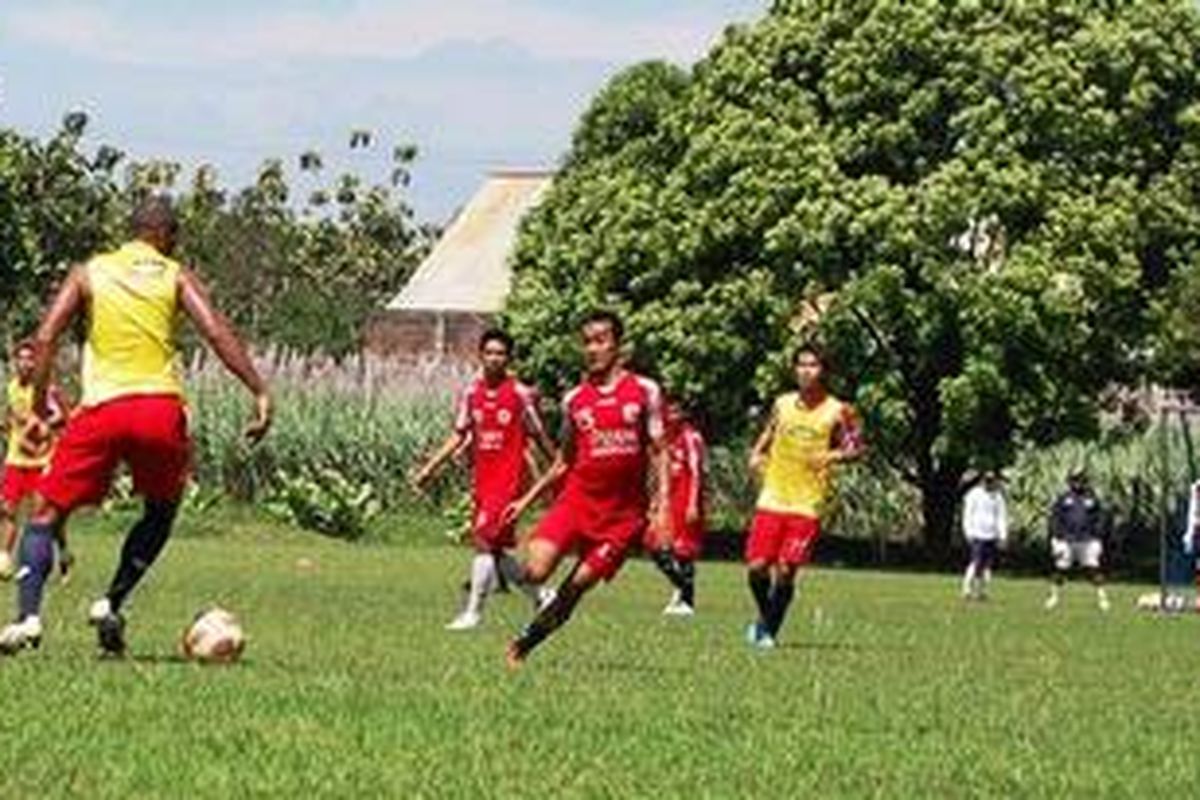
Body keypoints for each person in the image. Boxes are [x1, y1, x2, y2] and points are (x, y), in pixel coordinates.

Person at [0, 196, 271, 656]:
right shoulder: (174, 275)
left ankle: (27, 619)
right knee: (162, 510)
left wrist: (42, 401)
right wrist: (258, 389)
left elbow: (46, 336)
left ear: (132, 231)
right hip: (158, 409)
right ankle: (110, 601)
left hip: (103, 408)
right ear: (165, 235)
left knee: (45, 514)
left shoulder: (89, 272)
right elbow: (216, 331)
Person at [501, 311, 669, 667]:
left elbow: (659, 451)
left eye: (601, 340)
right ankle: (522, 582)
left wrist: (663, 507)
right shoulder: (574, 400)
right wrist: (525, 500)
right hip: (575, 504)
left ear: (618, 346)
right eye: (587, 341)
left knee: (575, 588)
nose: (593, 348)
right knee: (534, 571)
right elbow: (563, 461)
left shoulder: (645, 391)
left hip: (623, 517)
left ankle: (524, 644)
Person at [411, 328, 557, 630]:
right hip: (483, 482)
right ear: (480, 356)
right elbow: (459, 434)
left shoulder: (519, 394)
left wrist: (557, 470)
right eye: (489, 353)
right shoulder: (471, 393)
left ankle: (472, 613)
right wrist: (429, 469)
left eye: (500, 354)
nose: (494, 358)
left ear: (508, 358)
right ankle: (542, 595)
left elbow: (539, 434)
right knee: (496, 551)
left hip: (509, 483)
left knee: (482, 543)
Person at [744, 344, 863, 649]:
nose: (806, 371)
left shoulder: (839, 410)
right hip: (773, 493)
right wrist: (757, 453)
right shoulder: (782, 403)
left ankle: (768, 632)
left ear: (824, 371)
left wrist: (830, 456)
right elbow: (770, 431)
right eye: (801, 365)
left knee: (785, 569)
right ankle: (765, 617)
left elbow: (857, 449)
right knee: (757, 566)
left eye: (813, 365)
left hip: (807, 500)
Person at [2, 340, 69, 577]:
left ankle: (63, 553)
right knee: (7, 508)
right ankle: (5, 559)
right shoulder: (11, 388)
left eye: (30, 359)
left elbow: (63, 417)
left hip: (42, 460)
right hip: (15, 458)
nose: (25, 364)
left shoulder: (46, 390)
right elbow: (11, 417)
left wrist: (41, 425)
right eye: (21, 359)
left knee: (42, 517)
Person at [646, 399, 705, 617]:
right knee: (652, 544)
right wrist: (655, 500)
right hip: (668, 502)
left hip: (686, 500)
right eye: (667, 410)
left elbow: (697, 472)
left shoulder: (691, 437)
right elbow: (659, 472)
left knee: (684, 550)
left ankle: (687, 602)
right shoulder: (666, 440)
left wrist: (692, 502)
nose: (671, 415)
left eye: (676, 410)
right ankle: (681, 588)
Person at [1045, 470, 1110, 611]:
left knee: (1093, 568)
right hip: (1066, 539)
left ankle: (1102, 598)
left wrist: (1098, 535)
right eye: (1074, 480)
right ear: (1070, 482)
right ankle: (1053, 597)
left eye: (1080, 480)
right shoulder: (1063, 498)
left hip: (1087, 540)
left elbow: (1101, 517)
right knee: (1061, 568)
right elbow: (1055, 518)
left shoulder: (1092, 498)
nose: (1077, 483)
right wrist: (1055, 537)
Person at [960, 470, 1008, 600]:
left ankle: (982, 591)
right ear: (982, 481)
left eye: (992, 481)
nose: (989, 484)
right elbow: (967, 515)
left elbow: (1001, 516)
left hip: (991, 535)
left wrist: (1002, 535)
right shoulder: (973, 495)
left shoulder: (997, 497)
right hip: (977, 534)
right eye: (987, 481)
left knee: (987, 566)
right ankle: (967, 589)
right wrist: (968, 532)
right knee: (976, 563)